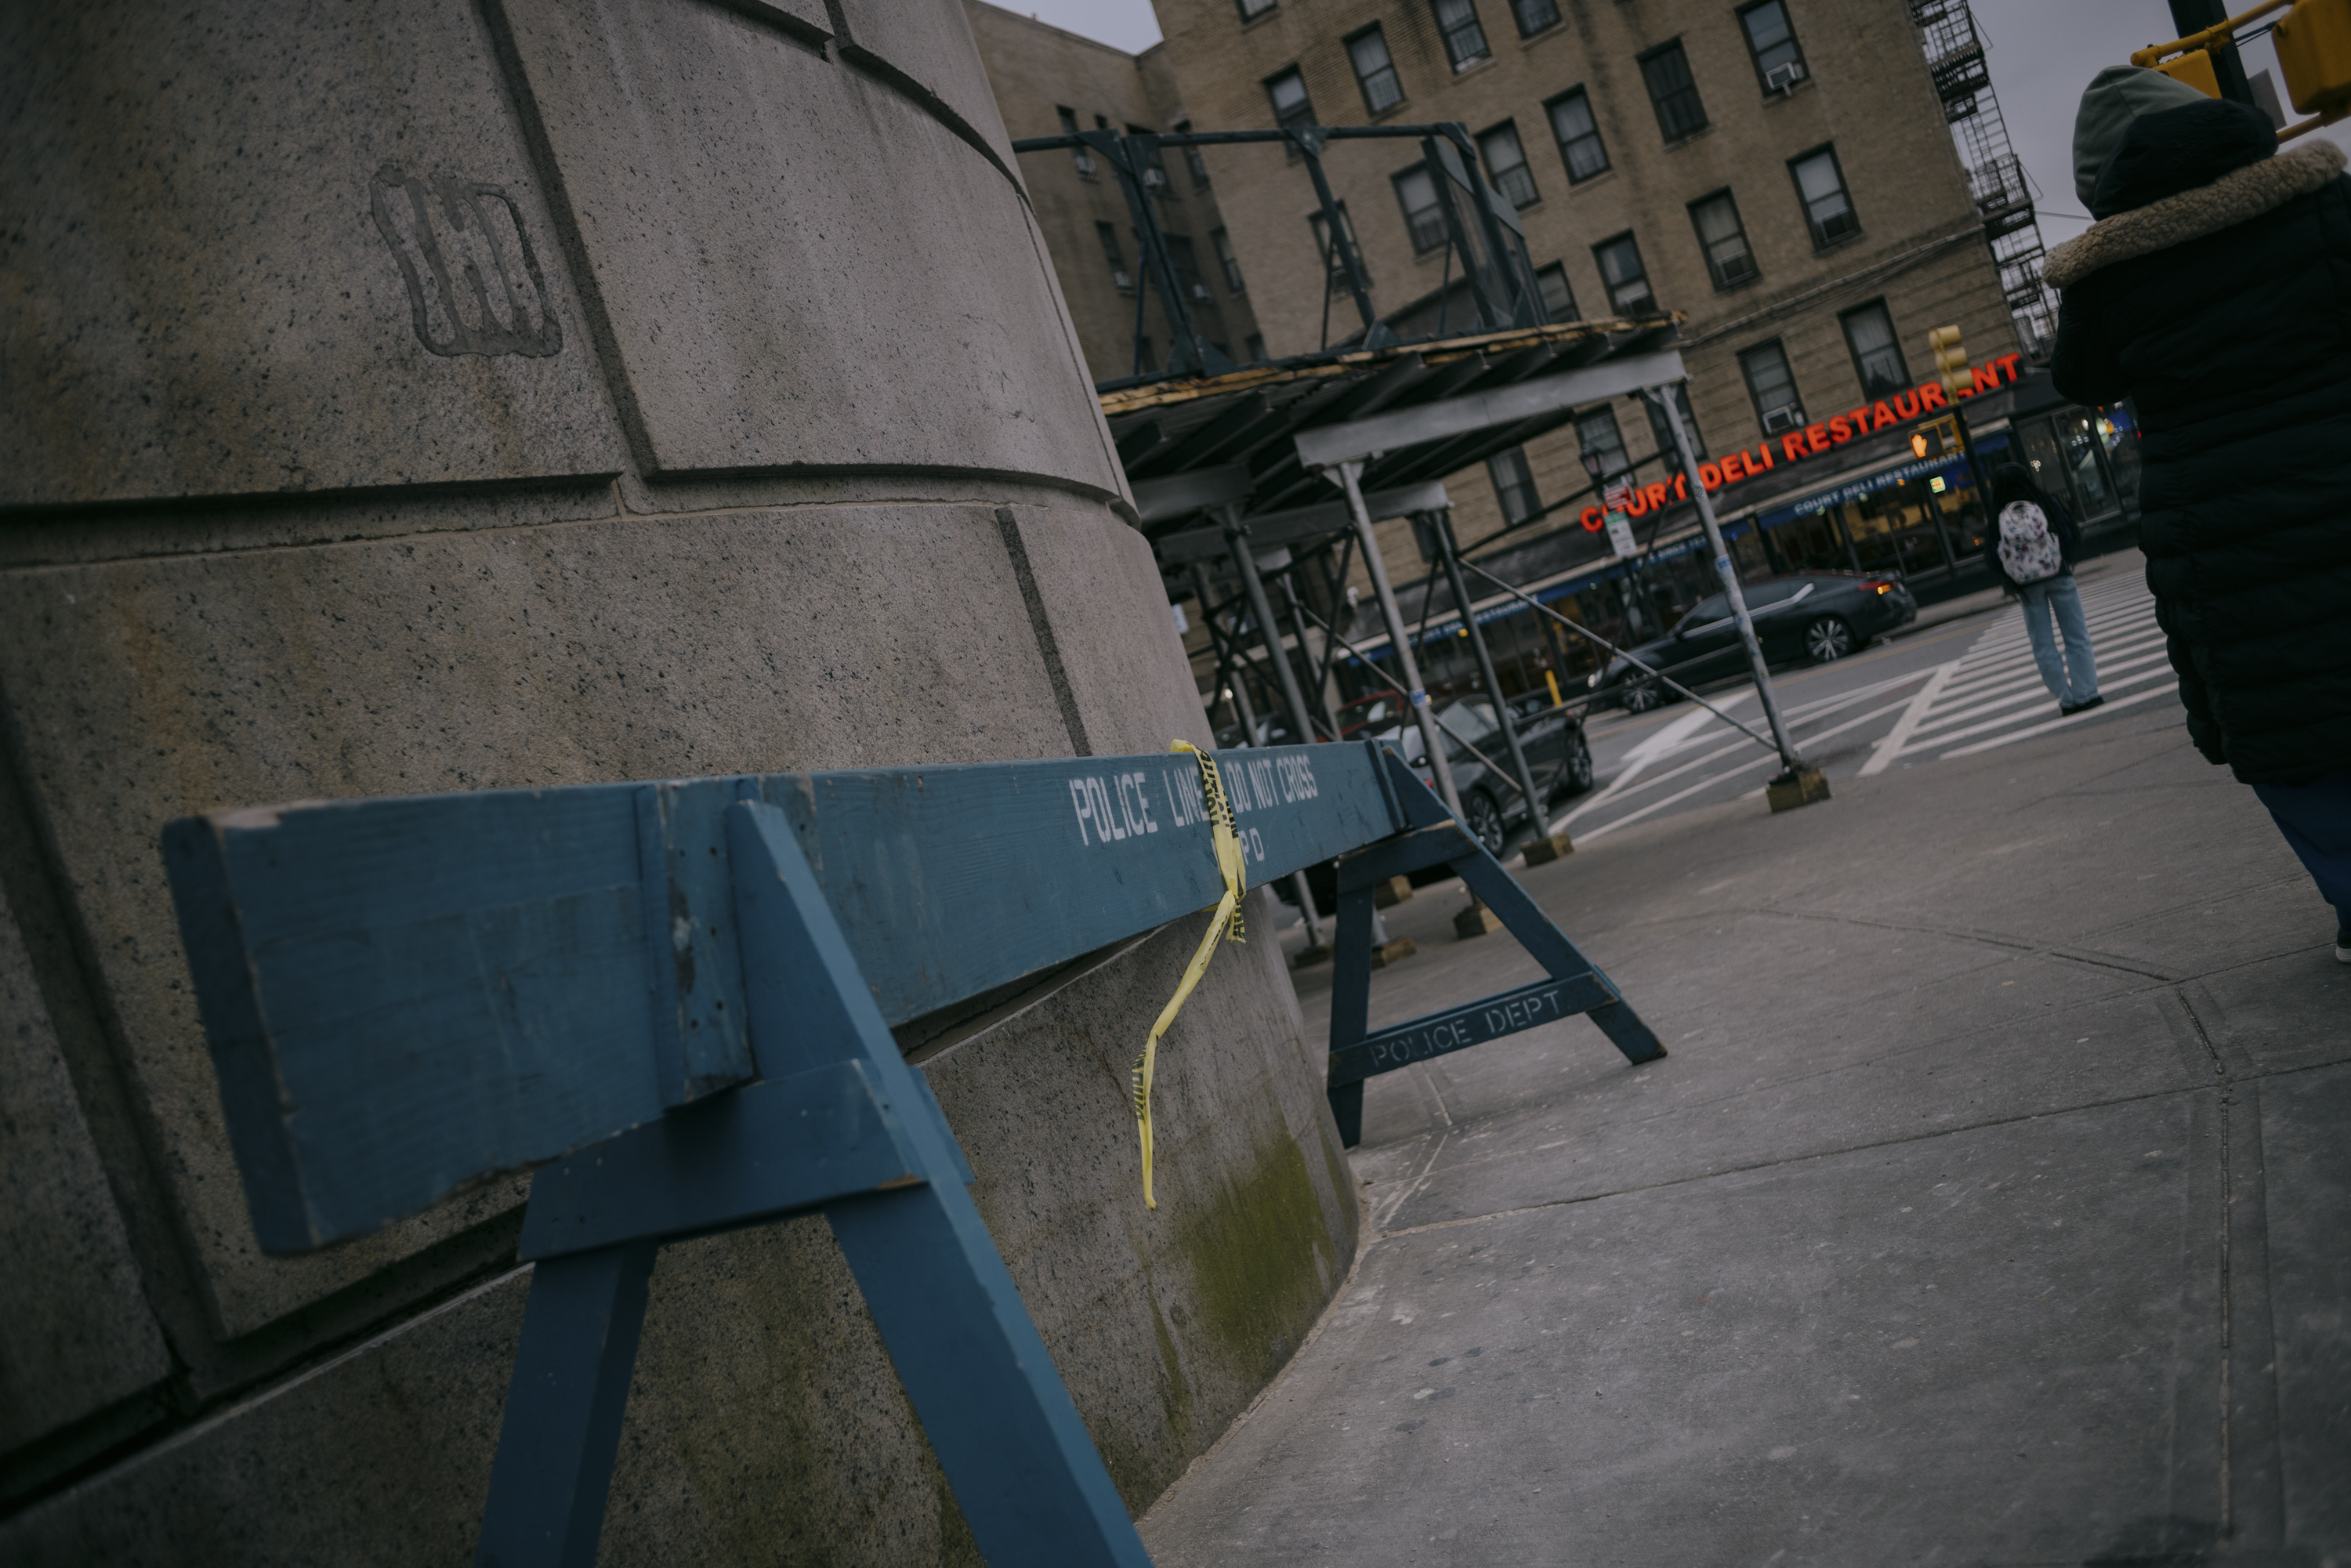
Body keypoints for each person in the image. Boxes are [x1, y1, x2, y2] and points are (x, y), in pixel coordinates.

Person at [2049, 68, 2351, 963]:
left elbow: (2081, 378)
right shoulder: (2321, 203)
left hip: (2225, 534)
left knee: (2290, 732)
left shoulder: (2108, 279)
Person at [1980, 462, 2100, 715]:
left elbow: (1994, 556)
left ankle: (2067, 700)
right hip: (2058, 574)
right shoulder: (2044, 502)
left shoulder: (1997, 516)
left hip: (2027, 586)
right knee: (2076, 636)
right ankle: (2087, 693)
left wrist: (2013, 582)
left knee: (2043, 646)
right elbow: (2068, 533)